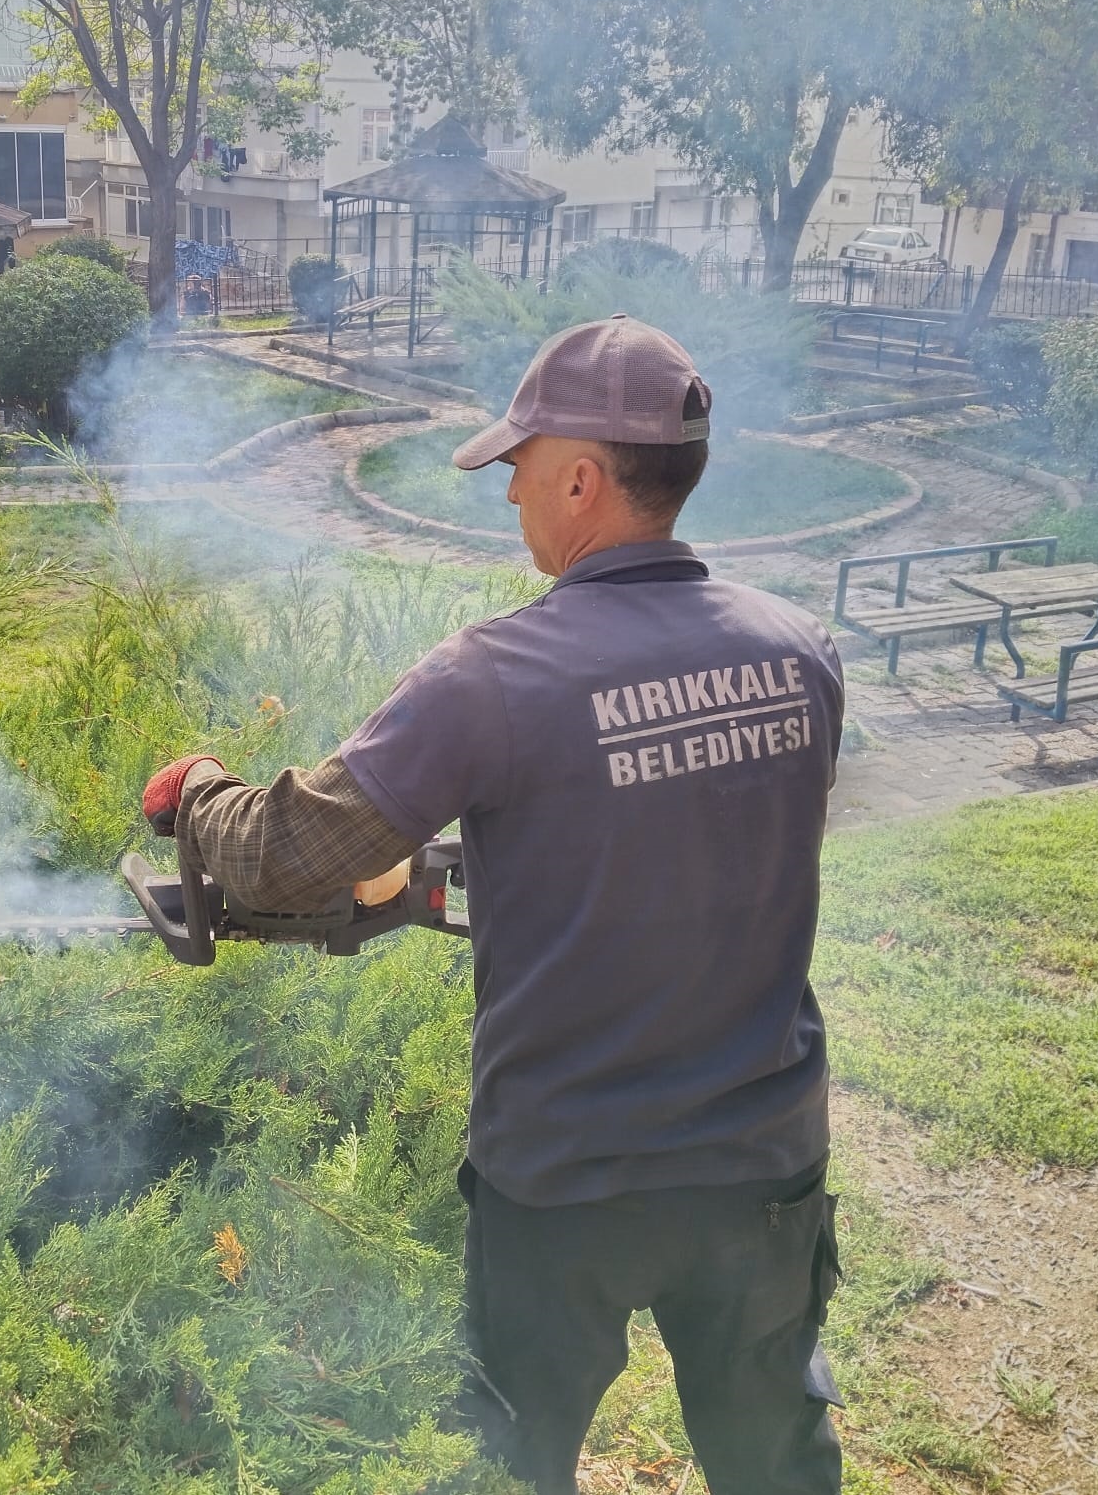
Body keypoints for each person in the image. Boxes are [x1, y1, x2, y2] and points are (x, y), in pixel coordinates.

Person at [143, 315, 847, 1494]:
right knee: (774, 1459)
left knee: (513, 1460)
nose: (512, 494)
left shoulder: (494, 678)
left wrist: (198, 794)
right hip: (760, 1164)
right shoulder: (801, 651)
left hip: (567, 1178)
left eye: (519, 471)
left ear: (582, 478)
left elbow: (289, 856)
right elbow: (694, 838)